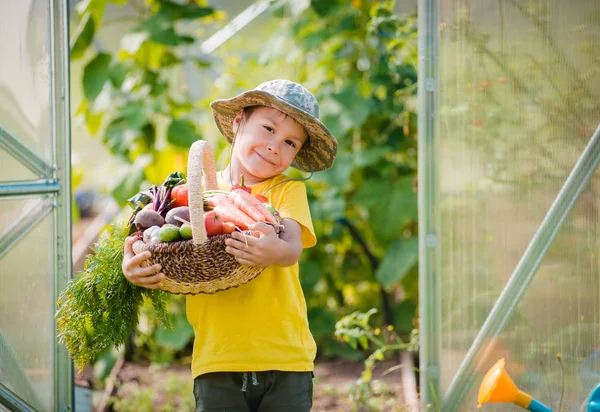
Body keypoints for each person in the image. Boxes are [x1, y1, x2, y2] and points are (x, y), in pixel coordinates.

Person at [121, 79, 337, 411]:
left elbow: (292, 247)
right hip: (217, 359)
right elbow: (146, 235)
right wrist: (131, 264)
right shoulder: (196, 196)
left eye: (290, 142)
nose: (275, 146)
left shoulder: (286, 191)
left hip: (286, 357)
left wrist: (273, 251)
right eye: (268, 128)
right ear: (238, 123)